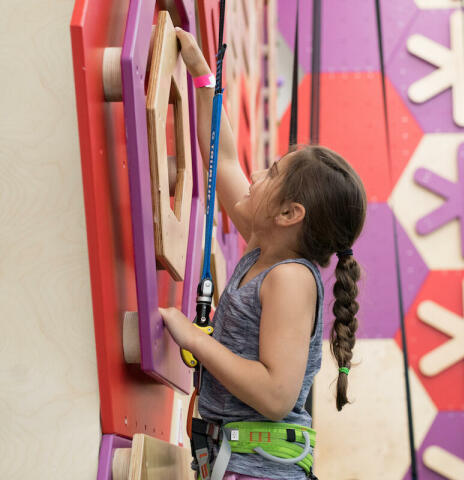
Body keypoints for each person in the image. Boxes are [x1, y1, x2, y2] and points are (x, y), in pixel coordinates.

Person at [160, 27, 367, 480]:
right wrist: (202, 81)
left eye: (272, 172)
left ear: (291, 213)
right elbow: (225, 158)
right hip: (237, 461)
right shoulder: (261, 242)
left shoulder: (290, 278)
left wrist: (196, 340)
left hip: (260, 470)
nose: (257, 173)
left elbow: (276, 394)